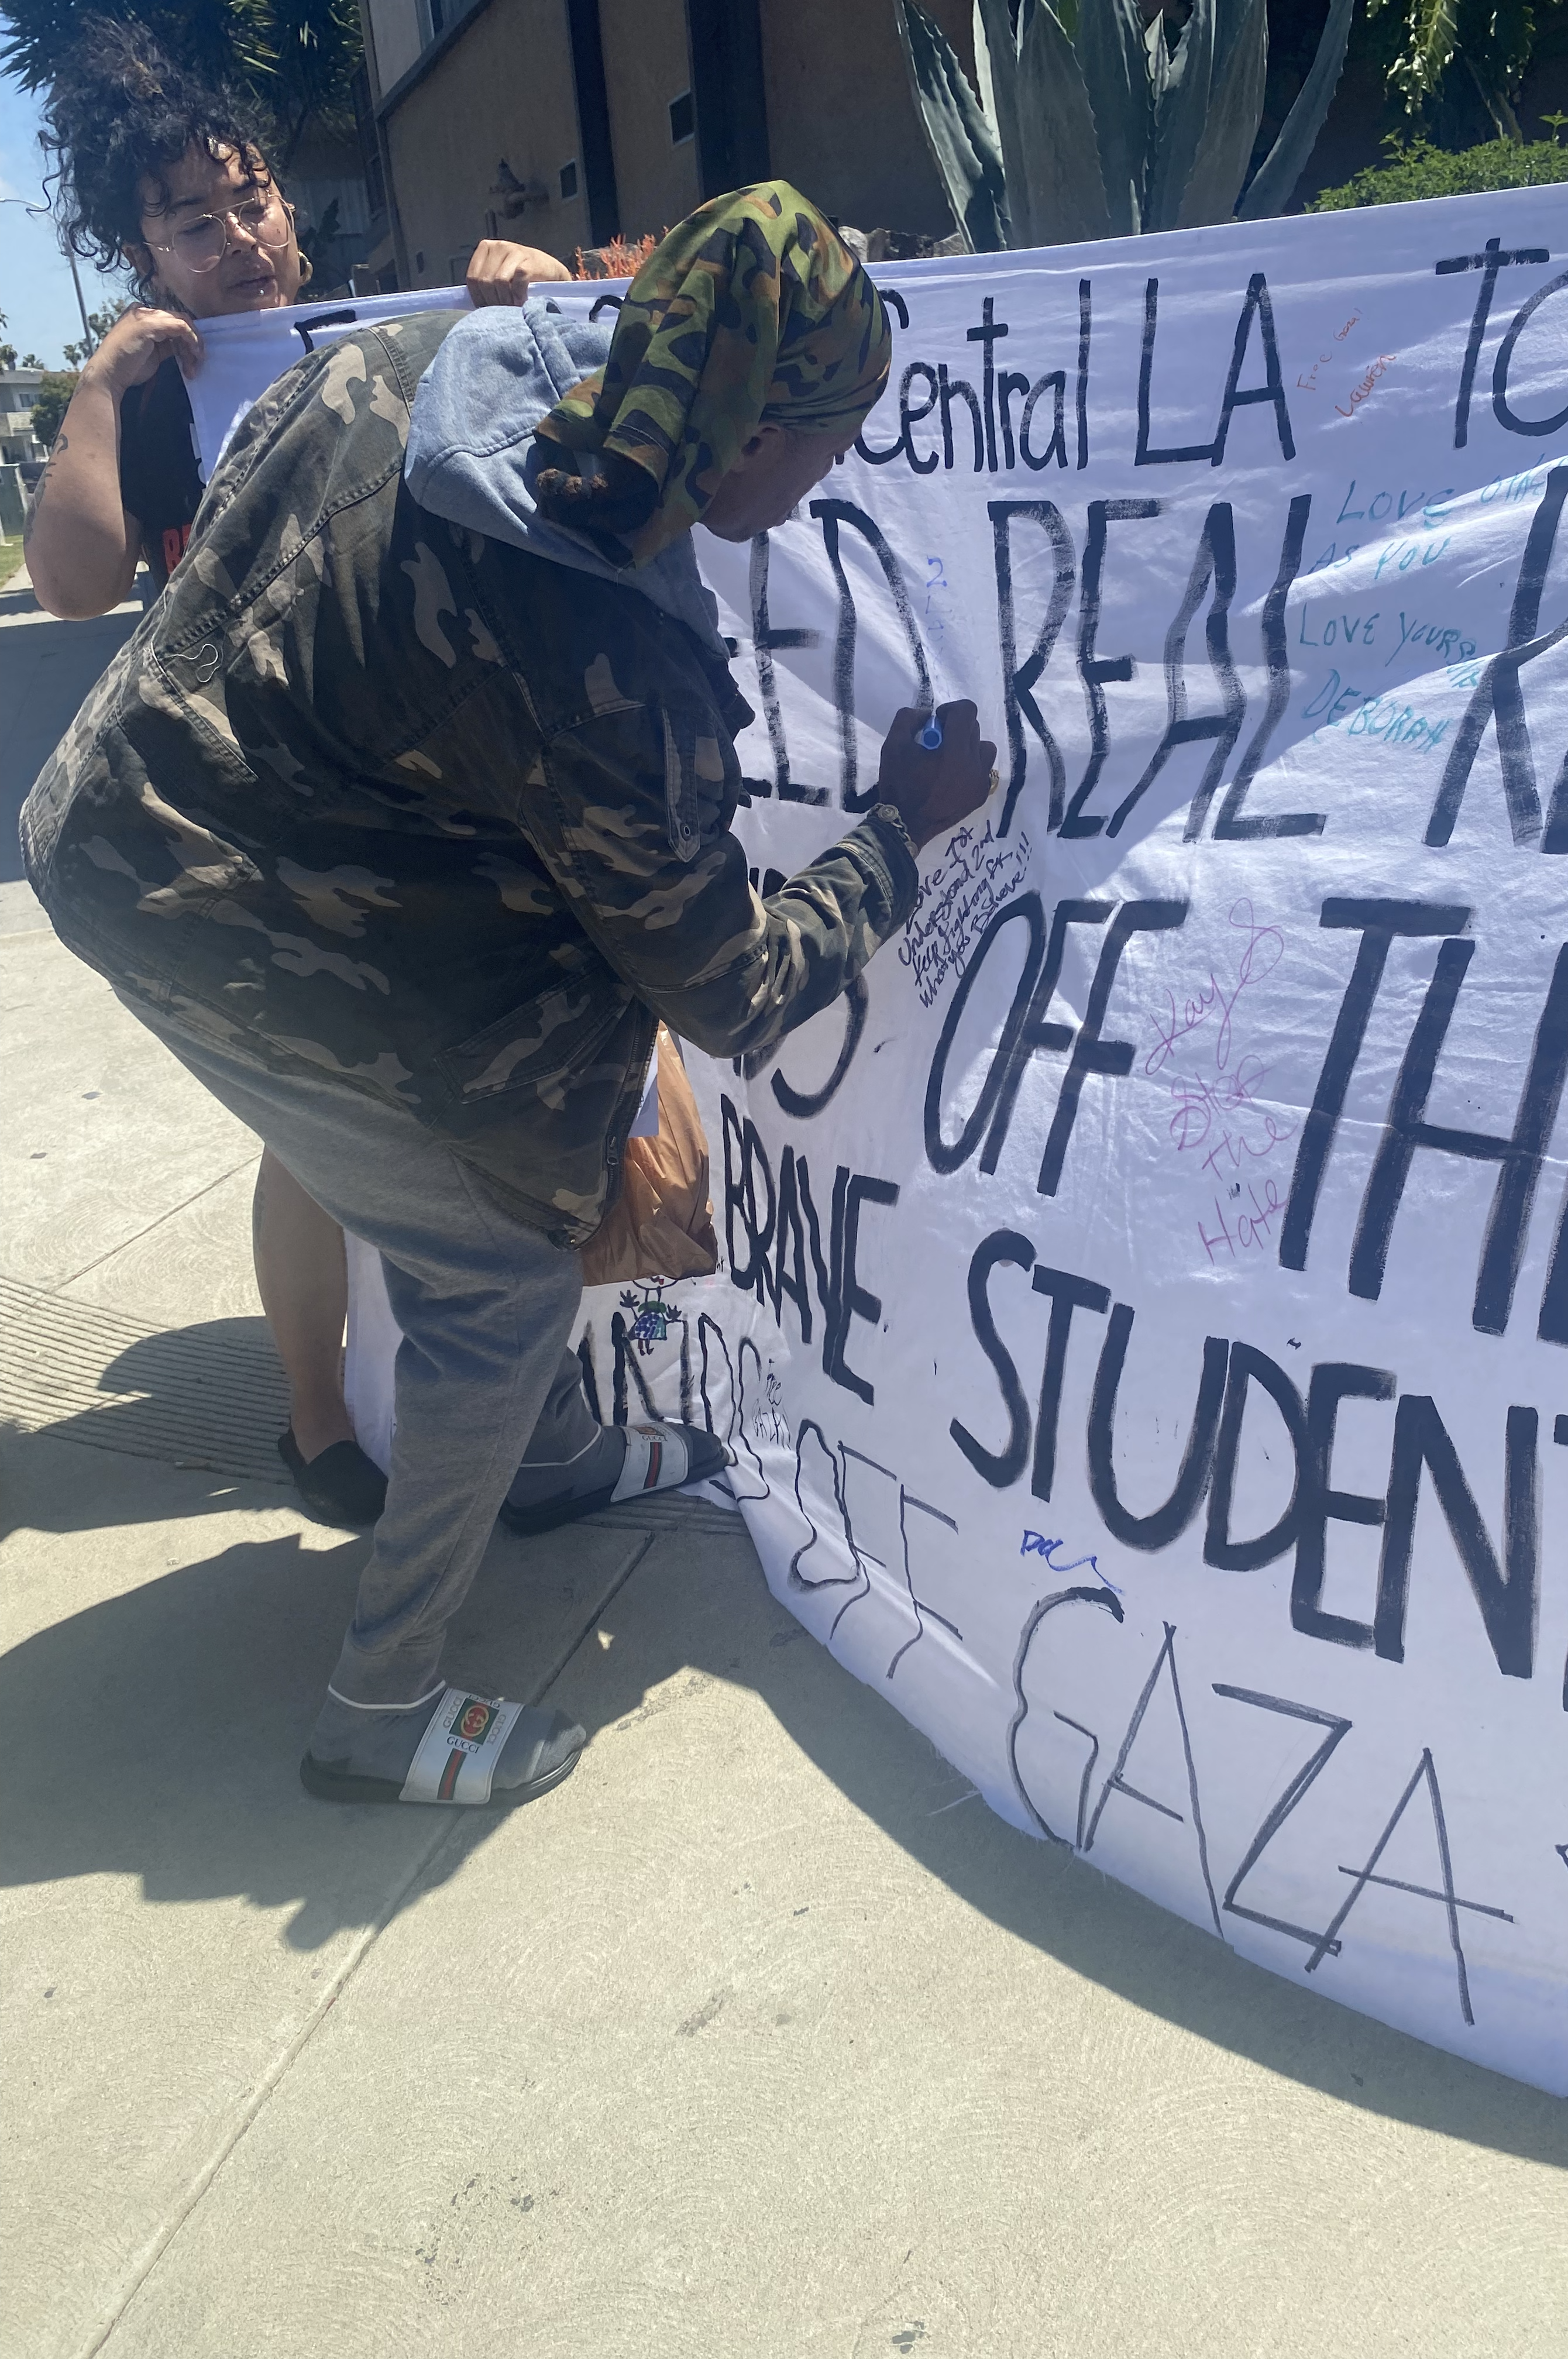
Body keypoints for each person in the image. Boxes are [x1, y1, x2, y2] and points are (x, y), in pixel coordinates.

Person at [24, 180, 996, 1813]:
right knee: (494, 1271)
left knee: (466, 1172)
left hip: (130, 829)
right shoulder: (604, 644)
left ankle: (545, 1473)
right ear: (748, 424)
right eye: (822, 439)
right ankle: (381, 1707)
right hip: (214, 912)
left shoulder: (414, 362)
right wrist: (900, 834)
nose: (828, 479)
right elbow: (731, 987)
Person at [26, 20, 582, 1528]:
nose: (239, 239)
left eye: (254, 199)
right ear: (139, 246)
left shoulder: (369, 334)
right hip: (255, 836)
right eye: (192, 222)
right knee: (313, 1140)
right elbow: (71, 583)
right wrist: (93, 390)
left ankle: (493, 1407)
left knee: (455, 1131)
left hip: (426, 811)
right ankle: (320, 1427)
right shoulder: (153, 402)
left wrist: (526, 303)